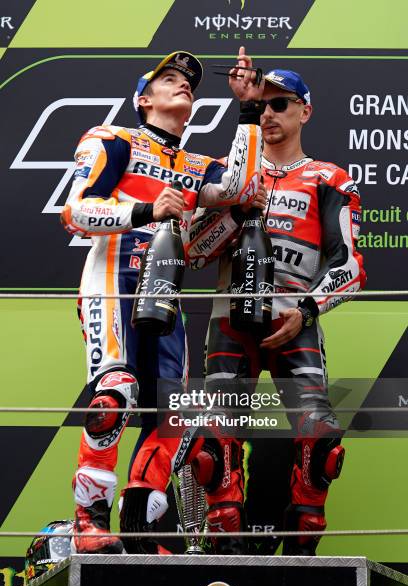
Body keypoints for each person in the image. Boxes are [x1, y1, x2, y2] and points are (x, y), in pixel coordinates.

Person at [61, 48, 265, 554]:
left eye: (189, 82)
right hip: (112, 278)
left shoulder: (198, 164)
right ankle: (88, 519)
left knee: (172, 416)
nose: (183, 85)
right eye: (170, 78)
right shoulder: (114, 140)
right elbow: (75, 212)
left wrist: (247, 111)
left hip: (165, 287)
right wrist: (148, 209)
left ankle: (138, 520)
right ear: (143, 98)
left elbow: (239, 187)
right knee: (116, 394)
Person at [187, 68, 366, 555]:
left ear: (305, 111)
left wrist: (306, 311)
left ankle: (303, 551)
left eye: (280, 103)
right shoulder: (230, 169)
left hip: (294, 319)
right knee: (213, 441)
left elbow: (351, 267)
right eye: (262, 105)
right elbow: (194, 251)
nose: (268, 113)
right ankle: (225, 548)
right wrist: (235, 210)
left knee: (321, 441)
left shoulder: (328, 177)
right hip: (230, 319)